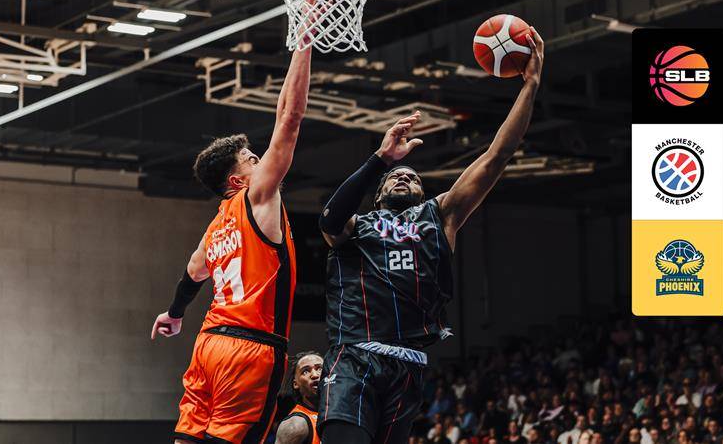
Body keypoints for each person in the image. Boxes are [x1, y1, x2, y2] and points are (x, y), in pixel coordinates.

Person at [316, 28, 544, 444]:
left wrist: (530, 84)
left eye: (412, 176)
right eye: (395, 176)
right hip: (354, 357)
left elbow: (497, 156)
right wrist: (380, 158)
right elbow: (329, 220)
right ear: (379, 192)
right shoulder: (356, 227)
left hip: (408, 366)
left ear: (422, 192)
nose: (404, 177)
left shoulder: (440, 216)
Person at [150, 33, 313, 443]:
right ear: (238, 181)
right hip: (250, 350)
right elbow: (289, 118)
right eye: (252, 159)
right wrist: (305, 40)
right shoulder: (257, 198)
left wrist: (174, 313)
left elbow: (192, 274)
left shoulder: (214, 229)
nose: (262, 161)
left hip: (207, 347)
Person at [276, 352, 324, 444]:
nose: (315, 375)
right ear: (295, 384)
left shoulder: (341, 413)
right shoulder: (296, 424)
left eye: (320, 369)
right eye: (305, 371)